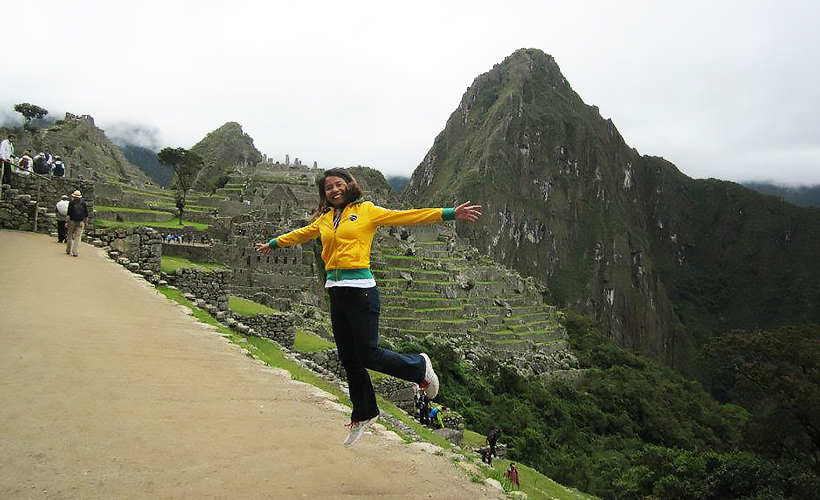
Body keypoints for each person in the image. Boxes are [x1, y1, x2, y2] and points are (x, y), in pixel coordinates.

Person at [255, 167, 482, 447]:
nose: (335, 190)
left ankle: (420, 366)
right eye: (329, 188)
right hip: (336, 293)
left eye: (339, 185)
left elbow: (406, 216)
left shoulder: (367, 211)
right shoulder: (325, 219)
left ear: (349, 185)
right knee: (349, 359)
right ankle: (364, 414)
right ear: (324, 194)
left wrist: (448, 213)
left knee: (369, 355)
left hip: (361, 292)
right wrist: (274, 243)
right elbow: (302, 234)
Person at [66, 190, 89, 257]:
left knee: (70, 235)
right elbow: (86, 214)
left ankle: (68, 249)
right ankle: (75, 251)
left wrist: (67, 222)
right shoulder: (83, 203)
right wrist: (86, 222)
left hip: (72, 221)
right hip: (80, 222)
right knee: (78, 237)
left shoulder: (71, 203)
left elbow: (68, 214)